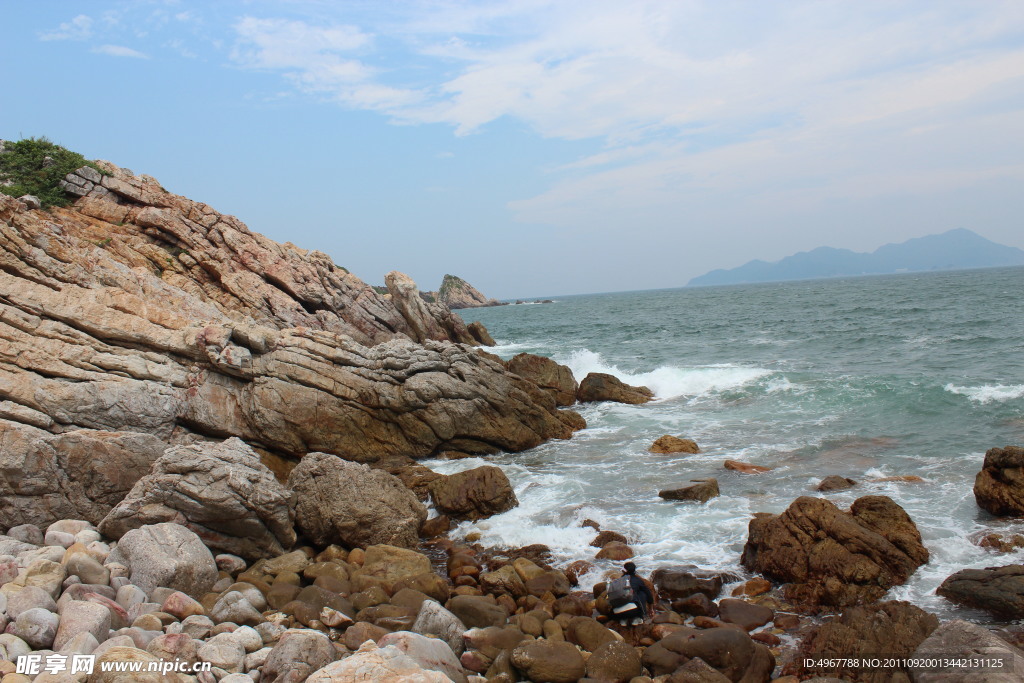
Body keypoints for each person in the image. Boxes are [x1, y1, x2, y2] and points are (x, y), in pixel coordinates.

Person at [610, 561, 655, 626]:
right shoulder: (637, 580)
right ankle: (637, 618)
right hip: (633, 612)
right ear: (634, 570)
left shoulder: (618, 581)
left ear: (624, 571)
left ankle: (623, 620)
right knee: (642, 593)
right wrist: (651, 609)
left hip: (616, 613)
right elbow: (649, 595)